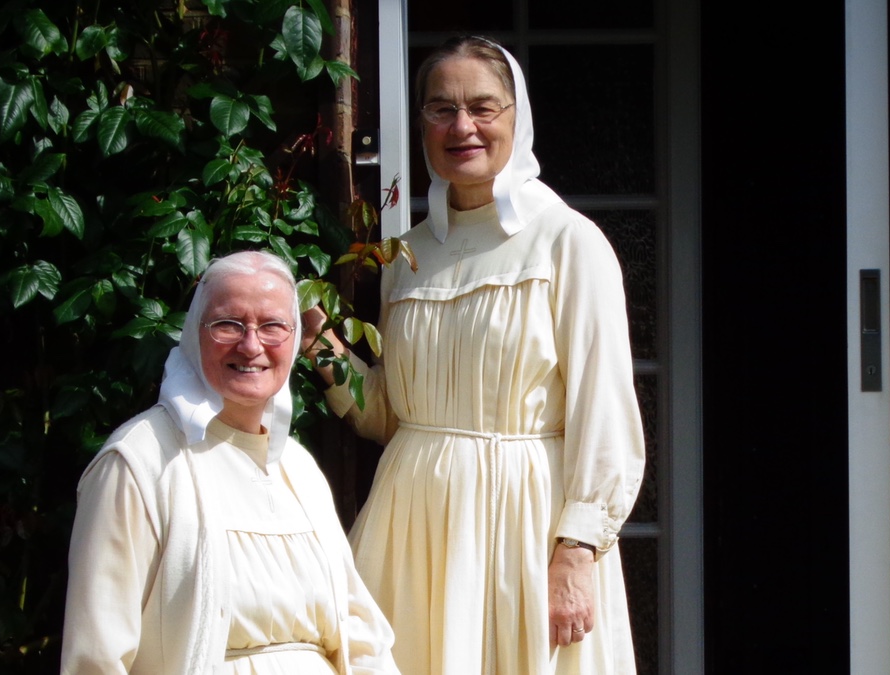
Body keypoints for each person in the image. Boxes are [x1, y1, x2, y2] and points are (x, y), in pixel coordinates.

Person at [302, 36, 645, 674]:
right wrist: (314, 340)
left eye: (483, 108)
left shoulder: (567, 243)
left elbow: (607, 415)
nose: (462, 127)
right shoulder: (407, 257)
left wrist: (576, 554)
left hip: (526, 524)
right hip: (413, 528)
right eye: (441, 109)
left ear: (519, 117)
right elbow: (388, 416)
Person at [61, 250, 399, 675]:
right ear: (193, 333)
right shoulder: (139, 463)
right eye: (228, 324)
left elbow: (359, 634)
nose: (251, 344)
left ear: (296, 340)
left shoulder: (298, 469)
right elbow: (96, 657)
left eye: (273, 325)